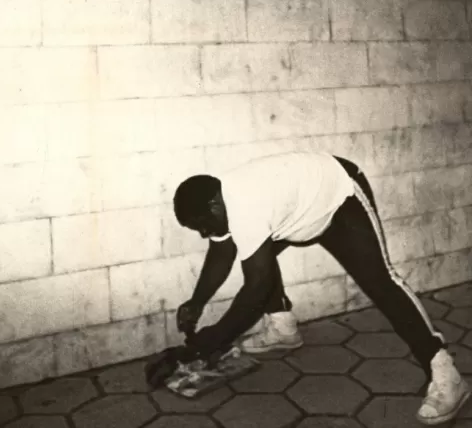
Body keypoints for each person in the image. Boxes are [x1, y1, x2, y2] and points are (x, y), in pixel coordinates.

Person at [172, 151, 470, 425]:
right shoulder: (222, 201)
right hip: (304, 208)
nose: (204, 233)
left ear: (214, 206)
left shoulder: (245, 206)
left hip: (340, 196)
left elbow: (255, 288)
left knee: (381, 281)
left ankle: (444, 371)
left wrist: (212, 340)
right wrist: (196, 302)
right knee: (258, 258)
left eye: (202, 225)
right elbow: (221, 255)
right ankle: (283, 330)